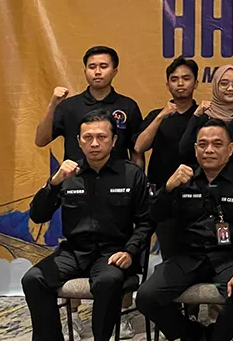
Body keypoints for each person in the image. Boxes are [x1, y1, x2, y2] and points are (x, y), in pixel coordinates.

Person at [22, 109, 152, 341]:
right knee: (33, 279)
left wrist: (130, 251)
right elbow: (38, 215)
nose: (94, 143)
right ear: (79, 141)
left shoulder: (131, 175)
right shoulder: (68, 174)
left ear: (114, 140)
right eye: (87, 137)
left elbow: (146, 221)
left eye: (101, 137)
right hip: (74, 252)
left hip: (113, 253)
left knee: (107, 282)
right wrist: (54, 183)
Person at [137, 119, 233, 341]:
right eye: (203, 144)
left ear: (230, 149)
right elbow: (155, 216)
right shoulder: (182, 179)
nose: (209, 150)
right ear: (195, 149)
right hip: (188, 258)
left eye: (217, 144)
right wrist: (167, 189)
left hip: (229, 258)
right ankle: (194, 335)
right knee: (146, 297)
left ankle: (216, 337)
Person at [134, 56, 200, 259]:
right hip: (163, 193)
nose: (180, 83)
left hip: (195, 193)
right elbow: (139, 146)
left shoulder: (203, 115)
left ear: (196, 83)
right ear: (167, 84)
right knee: (168, 252)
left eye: (186, 78)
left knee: (194, 251)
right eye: (174, 79)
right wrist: (162, 115)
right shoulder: (157, 115)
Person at [35, 45, 144, 165]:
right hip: (76, 174)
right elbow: (41, 141)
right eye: (92, 67)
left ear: (114, 71)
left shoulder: (128, 106)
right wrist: (52, 105)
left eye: (103, 66)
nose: (97, 72)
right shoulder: (69, 106)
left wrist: (138, 176)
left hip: (118, 175)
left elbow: (136, 151)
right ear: (85, 71)